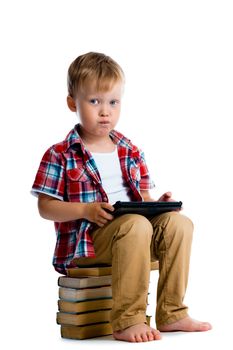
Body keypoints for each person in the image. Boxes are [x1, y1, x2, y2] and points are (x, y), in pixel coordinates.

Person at [31, 52, 212, 342]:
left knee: (180, 224)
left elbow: (142, 198)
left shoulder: (131, 150)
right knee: (134, 225)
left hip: (134, 234)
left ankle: (172, 312)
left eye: (113, 102)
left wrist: (158, 206)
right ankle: (128, 319)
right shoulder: (60, 154)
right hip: (89, 242)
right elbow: (45, 207)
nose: (105, 112)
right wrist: (86, 211)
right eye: (94, 102)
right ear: (71, 103)